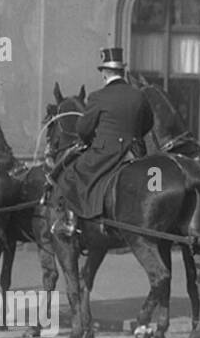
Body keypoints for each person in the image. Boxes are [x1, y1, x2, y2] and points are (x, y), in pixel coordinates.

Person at [50, 48, 154, 236]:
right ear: (122, 71)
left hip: (108, 152)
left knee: (70, 174)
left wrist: (91, 140)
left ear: (105, 73)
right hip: (136, 151)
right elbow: (148, 123)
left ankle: (70, 222)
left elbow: (83, 129)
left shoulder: (98, 97)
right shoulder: (138, 95)